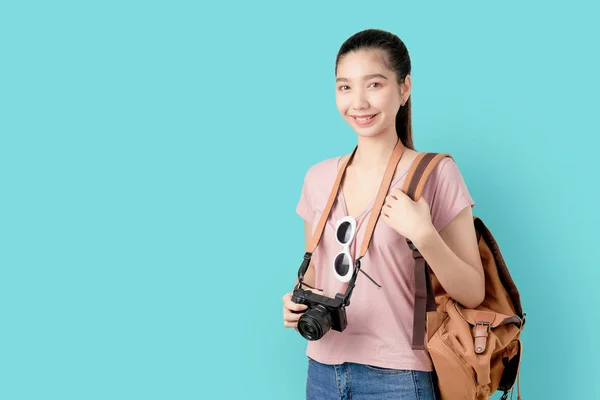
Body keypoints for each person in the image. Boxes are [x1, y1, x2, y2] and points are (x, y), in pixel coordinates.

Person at [282, 29, 485, 400]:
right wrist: (295, 301)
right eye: (345, 87)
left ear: (404, 88)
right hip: (322, 367)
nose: (358, 102)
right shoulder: (318, 178)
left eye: (374, 84)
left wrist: (424, 235)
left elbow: (473, 291)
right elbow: (315, 273)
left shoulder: (435, 173)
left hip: (397, 377)